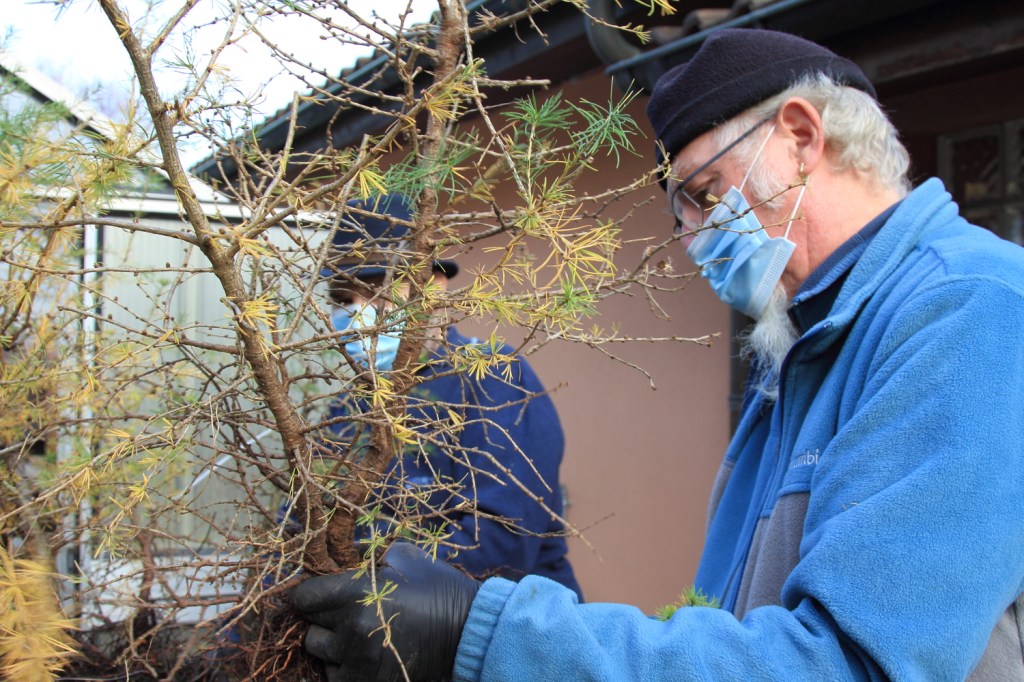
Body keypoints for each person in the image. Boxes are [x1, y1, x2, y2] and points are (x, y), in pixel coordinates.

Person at [290, 29, 1024, 681]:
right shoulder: (800, 347)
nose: (695, 242)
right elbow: (735, 621)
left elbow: (847, 664)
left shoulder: (968, 312)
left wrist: (480, 631)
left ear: (802, 137)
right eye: (682, 214)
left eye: (705, 192)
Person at [321, 193, 581, 598]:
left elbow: (499, 545)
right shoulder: (348, 405)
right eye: (342, 299)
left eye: (376, 291)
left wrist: (358, 585)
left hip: (500, 628)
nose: (358, 314)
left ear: (434, 287)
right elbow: (302, 525)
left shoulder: (491, 376)